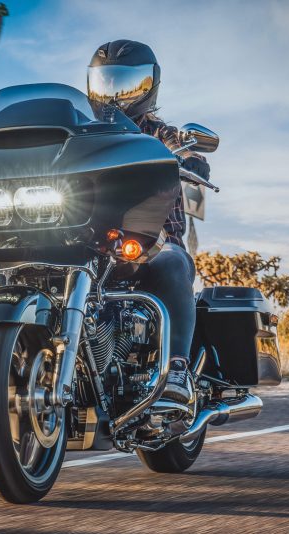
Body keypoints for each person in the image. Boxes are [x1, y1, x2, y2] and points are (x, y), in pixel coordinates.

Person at [86, 39, 211, 403]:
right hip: (88, 242)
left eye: (125, 83)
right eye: (106, 82)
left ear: (148, 87)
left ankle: (177, 370)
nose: (114, 94)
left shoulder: (160, 134)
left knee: (172, 261)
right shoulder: (83, 133)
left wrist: (189, 160)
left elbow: (188, 152)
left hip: (149, 242)